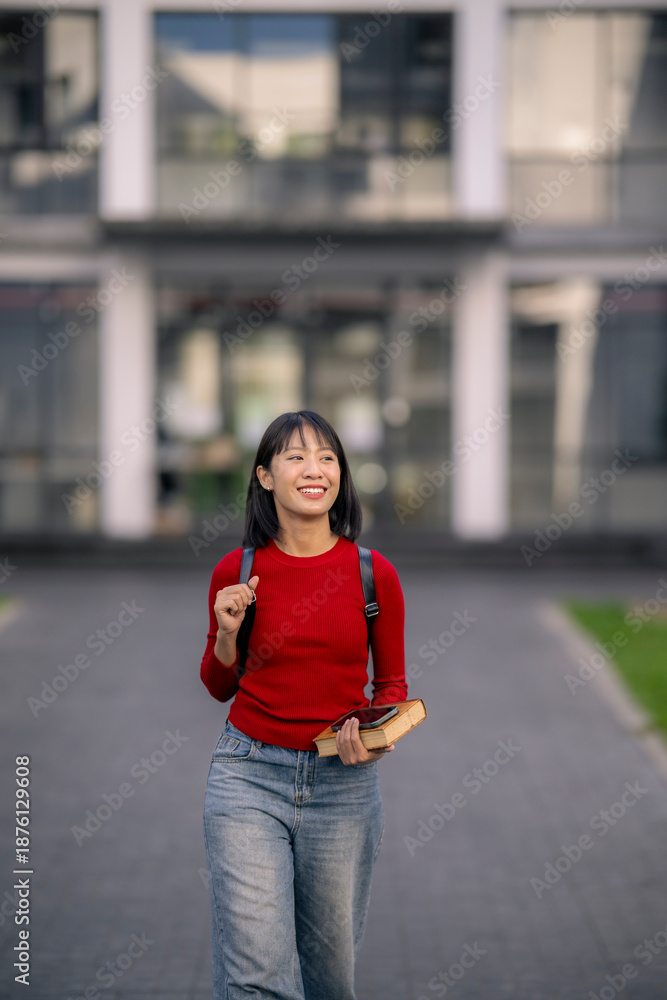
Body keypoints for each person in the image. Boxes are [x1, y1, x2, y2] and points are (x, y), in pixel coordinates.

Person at [200, 409, 407, 1000]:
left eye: (326, 457)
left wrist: (375, 737)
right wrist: (225, 633)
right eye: (295, 456)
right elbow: (218, 685)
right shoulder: (236, 572)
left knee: (328, 980)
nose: (313, 469)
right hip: (247, 778)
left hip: (343, 786)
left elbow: (390, 685)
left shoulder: (374, 574)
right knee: (257, 975)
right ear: (265, 476)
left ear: (340, 473)